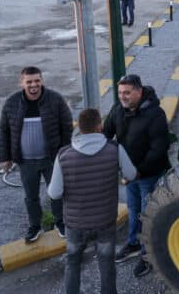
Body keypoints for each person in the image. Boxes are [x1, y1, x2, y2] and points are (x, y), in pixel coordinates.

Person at [48, 109, 136, 294]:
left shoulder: (64, 155)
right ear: (99, 126)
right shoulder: (114, 149)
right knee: (106, 263)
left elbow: (54, 194)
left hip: (75, 225)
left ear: (79, 128)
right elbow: (131, 174)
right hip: (105, 222)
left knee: (73, 263)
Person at [103, 74, 170, 278]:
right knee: (134, 210)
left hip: (149, 175)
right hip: (129, 173)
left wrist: (139, 171)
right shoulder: (118, 110)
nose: (122, 97)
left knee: (149, 214)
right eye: (120, 92)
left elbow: (159, 148)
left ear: (139, 92)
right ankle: (133, 243)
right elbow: (106, 134)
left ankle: (148, 253)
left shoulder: (156, 114)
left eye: (127, 93)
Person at [0, 66, 73, 243]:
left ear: (42, 81)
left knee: (57, 193)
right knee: (31, 197)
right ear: (22, 83)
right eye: (29, 81)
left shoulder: (55, 99)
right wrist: (5, 157)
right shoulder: (11, 103)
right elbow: (4, 131)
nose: (34, 85)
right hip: (26, 162)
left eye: (37, 80)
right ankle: (35, 226)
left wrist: (63, 153)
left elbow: (67, 126)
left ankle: (61, 222)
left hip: (52, 159)